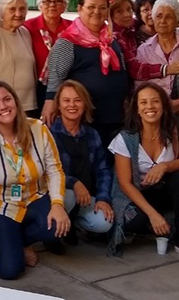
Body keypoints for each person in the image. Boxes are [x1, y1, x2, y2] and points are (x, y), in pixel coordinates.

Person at [0, 81, 69, 280]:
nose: (3, 106)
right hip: (2, 205)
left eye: (7, 99)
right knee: (10, 271)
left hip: (35, 197)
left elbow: (54, 169)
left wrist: (58, 204)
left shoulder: (38, 129)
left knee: (56, 229)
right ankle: (5, 242)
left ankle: (18, 241)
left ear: (15, 101)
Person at [108, 83, 179, 263]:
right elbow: (125, 184)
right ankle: (152, 225)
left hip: (165, 189)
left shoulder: (178, 126)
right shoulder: (125, 138)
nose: (150, 106)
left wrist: (164, 166)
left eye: (155, 101)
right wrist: (152, 214)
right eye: (143, 102)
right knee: (134, 220)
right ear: (137, 109)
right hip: (137, 194)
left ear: (164, 105)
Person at [42, 0, 128, 151]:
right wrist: (50, 102)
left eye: (102, 8)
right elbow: (56, 76)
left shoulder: (111, 39)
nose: (97, 12)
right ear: (80, 9)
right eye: (91, 7)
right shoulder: (68, 41)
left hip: (115, 118)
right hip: (86, 121)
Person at [49, 81, 113, 244]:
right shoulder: (48, 134)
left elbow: (103, 170)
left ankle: (73, 224)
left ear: (85, 104)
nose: (72, 105)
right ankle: (54, 234)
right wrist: (74, 183)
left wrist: (103, 198)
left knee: (104, 222)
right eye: (66, 100)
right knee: (69, 195)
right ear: (58, 105)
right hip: (58, 197)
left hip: (84, 198)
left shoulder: (92, 134)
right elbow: (45, 172)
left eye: (77, 100)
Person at [135, 0, 179, 120]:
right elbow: (140, 84)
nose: (163, 21)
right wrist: (164, 105)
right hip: (154, 113)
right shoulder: (143, 49)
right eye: (159, 16)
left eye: (169, 17)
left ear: (177, 21)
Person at [110, 0, 179, 83]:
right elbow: (133, 69)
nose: (126, 14)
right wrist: (165, 69)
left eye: (129, 9)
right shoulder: (116, 37)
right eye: (119, 12)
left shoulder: (131, 27)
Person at [23, 0, 72, 111]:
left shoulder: (72, 28)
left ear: (64, 6)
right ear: (40, 5)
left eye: (58, 1)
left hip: (64, 86)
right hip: (34, 87)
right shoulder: (27, 27)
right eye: (47, 1)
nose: (52, 5)